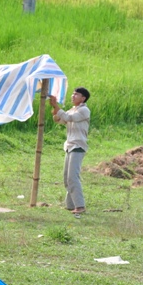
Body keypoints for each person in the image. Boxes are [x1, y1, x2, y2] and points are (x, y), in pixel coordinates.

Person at [50, 86, 91, 217]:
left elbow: (68, 117)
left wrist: (56, 106)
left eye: (76, 94)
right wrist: (56, 111)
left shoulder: (84, 110)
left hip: (78, 146)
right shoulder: (73, 109)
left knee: (73, 177)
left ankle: (80, 206)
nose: (73, 96)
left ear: (83, 98)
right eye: (73, 94)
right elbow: (60, 120)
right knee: (67, 178)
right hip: (69, 146)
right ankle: (71, 205)